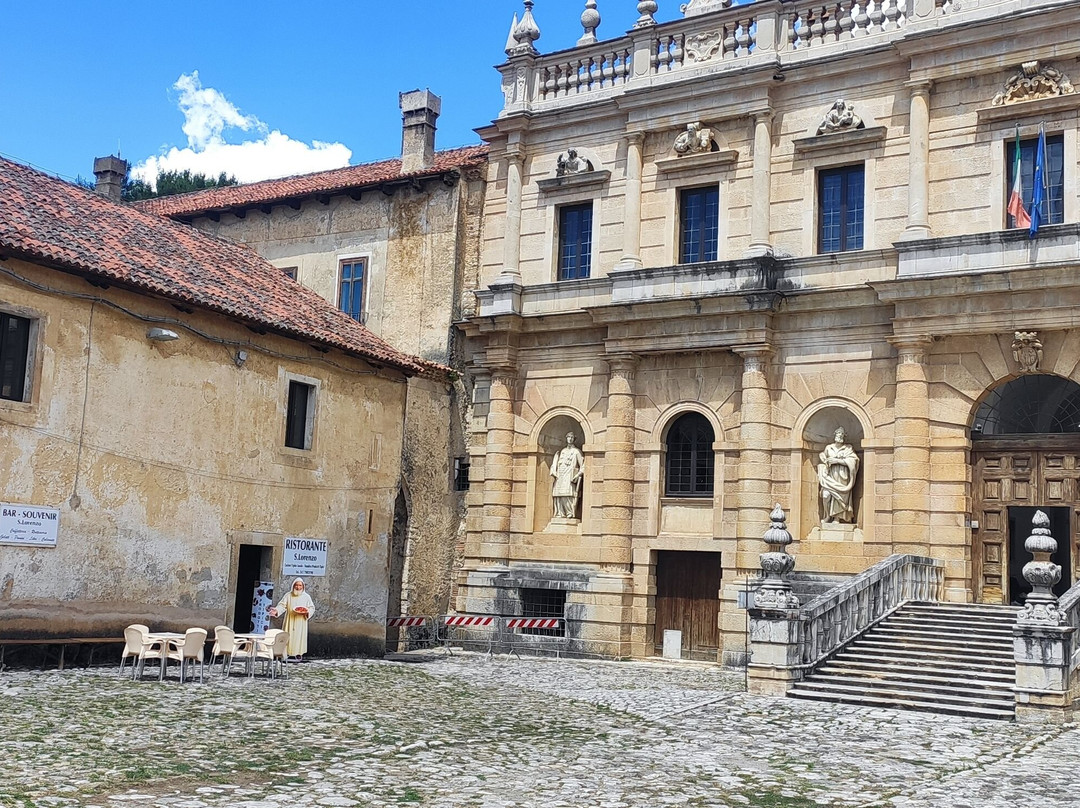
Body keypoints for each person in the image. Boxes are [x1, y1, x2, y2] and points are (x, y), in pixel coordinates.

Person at [817, 427, 859, 524]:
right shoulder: (829, 448)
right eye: (838, 434)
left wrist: (838, 461)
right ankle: (827, 516)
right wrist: (823, 459)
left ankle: (837, 518)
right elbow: (823, 457)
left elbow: (854, 461)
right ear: (835, 435)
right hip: (830, 476)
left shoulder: (848, 448)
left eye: (842, 434)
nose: (839, 436)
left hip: (842, 477)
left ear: (844, 437)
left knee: (839, 498)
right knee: (826, 495)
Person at [268, 578, 315, 660]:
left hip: (301, 621)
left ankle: (298, 654)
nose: (298, 587)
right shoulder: (288, 595)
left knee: (299, 637)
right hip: (289, 620)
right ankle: (285, 653)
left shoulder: (306, 597)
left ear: (303, 586)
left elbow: (311, 608)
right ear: (293, 585)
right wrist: (276, 611)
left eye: (300, 585)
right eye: (296, 585)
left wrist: (307, 612)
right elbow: (282, 605)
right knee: (288, 637)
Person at [550, 432, 585, 520]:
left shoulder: (576, 452)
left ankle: (570, 512)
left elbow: (583, 466)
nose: (570, 439)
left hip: (570, 476)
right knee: (558, 495)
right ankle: (560, 513)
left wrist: (578, 475)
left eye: (572, 437)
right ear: (566, 438)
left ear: (574, 439)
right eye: (568, 437)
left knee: (568, 495)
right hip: (560, 476)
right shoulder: (562, 451)